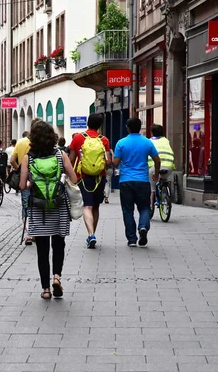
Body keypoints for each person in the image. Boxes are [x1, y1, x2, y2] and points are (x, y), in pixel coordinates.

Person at [19, 121, 77, 300]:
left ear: (33, 138)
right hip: (59, 206)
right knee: (58, 245)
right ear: (52, 136)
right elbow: (74, 179)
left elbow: (22, 186)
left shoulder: (28, 158)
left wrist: (31, 182)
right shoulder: (61, 155)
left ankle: (45, 289)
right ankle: (57, 278)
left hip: (38, 208)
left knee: (42, 250)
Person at [113, 118, 161, 247]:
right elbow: (157, 160)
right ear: (140, 128)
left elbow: (116, 163)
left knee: (128, 210)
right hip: (142, 180)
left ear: (127, 128)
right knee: (144, 207)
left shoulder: (121, 143)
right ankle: (143, 227)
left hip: (126, 181)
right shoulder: (147, 142)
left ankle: (132, 239)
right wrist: (156, 174)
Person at [68, 113, 111, 249]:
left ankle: (91, 234)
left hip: (83, 176)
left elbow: (71, 159)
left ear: (87, 123)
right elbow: (108, 161)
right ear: (100, 125)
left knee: (87, 206)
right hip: (99, 177)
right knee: (96, 206)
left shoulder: (78, 138)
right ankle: (91, 234)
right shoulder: (104, 140)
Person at [11, 123, 43, 245]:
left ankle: (29, 233)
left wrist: (20, 169)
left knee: (26, 204)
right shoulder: (42, 142)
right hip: (40, 179)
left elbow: (12, 160)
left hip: (26, 178)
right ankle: (37, 230)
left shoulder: (21, 142)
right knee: (39, 204)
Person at [148, 124, 175, 207]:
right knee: (163, 178)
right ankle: (165, 191)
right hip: (168, 166)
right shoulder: (166, 140)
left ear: (152, 133)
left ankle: (150, 206)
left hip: (154, 166)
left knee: (152, 188)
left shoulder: (150, 141)